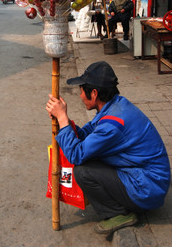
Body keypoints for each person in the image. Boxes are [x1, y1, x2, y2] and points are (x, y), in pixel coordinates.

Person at [46, 61, 171, 235]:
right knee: (91, 157)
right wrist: (64, 121)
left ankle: (118, 213)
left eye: (82, 91)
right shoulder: (115, 106)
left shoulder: (113, 123)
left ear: (94, 93)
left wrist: (63, 120)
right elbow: (87, 134)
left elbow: (76, 154)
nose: (81, 96)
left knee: (83, 171)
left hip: (147, 189)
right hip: (146, 178)